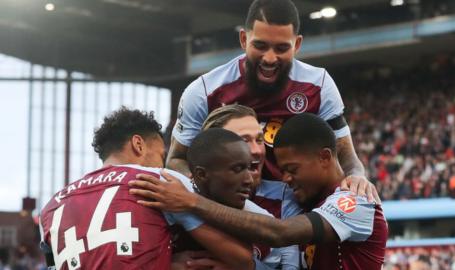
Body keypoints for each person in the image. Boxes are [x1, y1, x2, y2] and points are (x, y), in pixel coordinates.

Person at [167, 0, 378, 202]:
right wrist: (204, 196)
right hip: (228, 209)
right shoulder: (203, 91)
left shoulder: (319, 86)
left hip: (298, 208)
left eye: (281, 48)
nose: (269, 58)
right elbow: (176, 159)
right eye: (260, 45)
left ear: (297, 45)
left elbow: (346, 156)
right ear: (243, 40)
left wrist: (357, 176)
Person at [130, 113, 388, 270]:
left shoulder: (356, 201)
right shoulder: (308, 204)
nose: (285, 178)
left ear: (324, 158)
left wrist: (191, 203)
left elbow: (279, 233)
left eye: (292, 169)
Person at [39, 108, 253, 270]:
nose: (163, 165)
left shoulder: (51, 205)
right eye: (161, 156)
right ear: (138, 145)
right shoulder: (158, 181)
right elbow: (242, 259)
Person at [199, 104, 300, 269]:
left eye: (259, 140)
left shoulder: (285, 198)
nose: (257, 150)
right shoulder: (179, 197)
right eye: (243, 140)